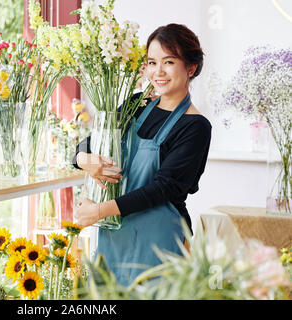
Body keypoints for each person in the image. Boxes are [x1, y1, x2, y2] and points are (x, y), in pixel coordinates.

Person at [72, 23, 212, 286]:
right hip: (115, 236)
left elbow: (164, 188)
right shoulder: (136, 105)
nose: (157, 72)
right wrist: (85, 160)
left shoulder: (195, 126)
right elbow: (86, 144)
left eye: (168, 62)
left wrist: (100, 210)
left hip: (160, 242)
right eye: (151, 62)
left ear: (190, 68)